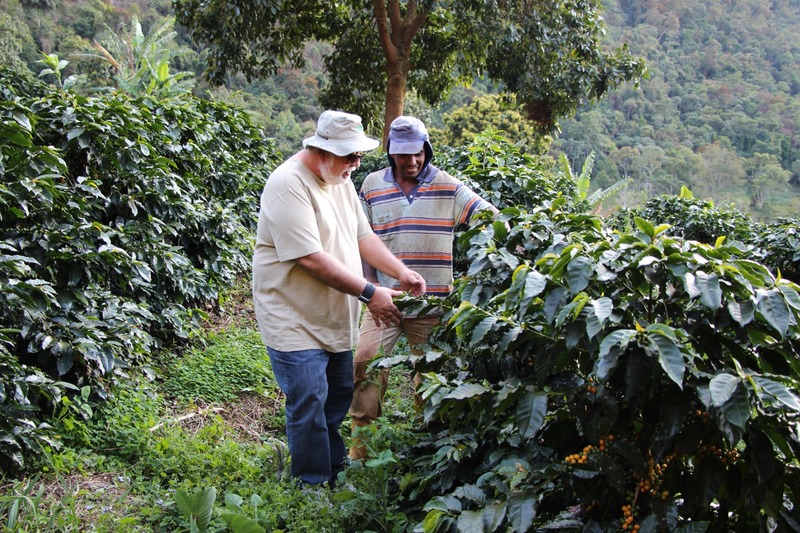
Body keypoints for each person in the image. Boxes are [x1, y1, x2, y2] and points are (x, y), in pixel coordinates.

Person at [252, 110, 426, 487]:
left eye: (359, 156)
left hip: (332, 316)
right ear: (322, 150)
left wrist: (399, 272)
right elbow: (309, 257)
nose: (356, 164)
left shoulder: (341, 180)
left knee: (336, 398)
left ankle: (332, 470)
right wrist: (370, 292)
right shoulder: (287, 184)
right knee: (309, 400)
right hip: (292, 316)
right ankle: (311, 483)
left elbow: (363, 237)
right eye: (350, 156)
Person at [349, 116, 497, 459]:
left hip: (431, 305)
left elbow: (489, 218)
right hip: (384, 300)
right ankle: (361, 451)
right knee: (366, 364)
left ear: (427, 149)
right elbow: (360, 239)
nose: (412, 161)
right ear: (390, 153)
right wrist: (370, 287)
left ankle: (424, 449)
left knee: (430, 378)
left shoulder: (447, 186)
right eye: (403, 155)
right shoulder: (371, 185)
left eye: (418, 153)